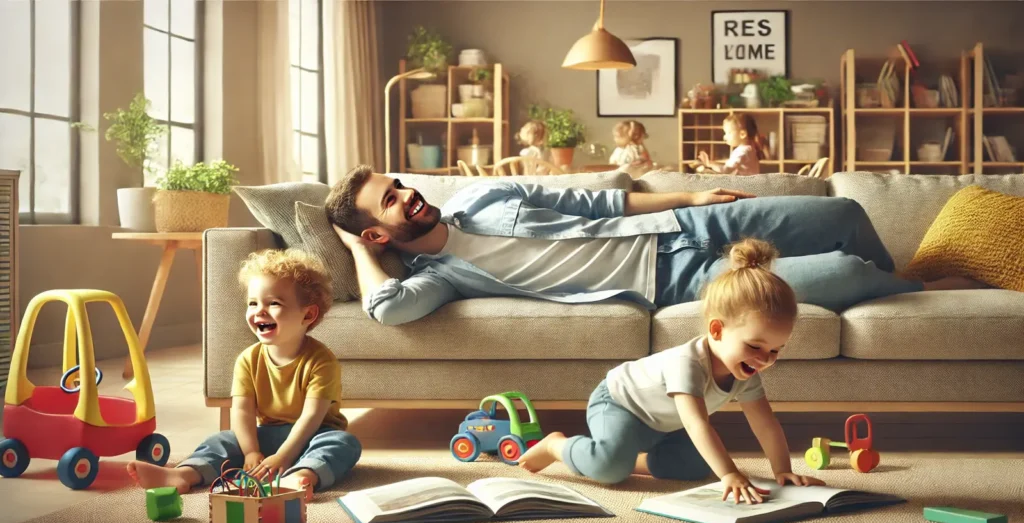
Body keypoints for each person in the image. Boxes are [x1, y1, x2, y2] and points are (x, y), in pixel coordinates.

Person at [324, 165, 981, 327]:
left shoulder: (487, 197)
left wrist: (689, 199)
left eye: (401, 183)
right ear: (377, 232)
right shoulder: (443, 275)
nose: (408, 193)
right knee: (842, 270)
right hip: (677, 283)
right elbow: (389, 310)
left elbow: (601, 202)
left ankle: (907, 273)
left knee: (843, 210)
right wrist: (357, 248)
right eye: (390, 200)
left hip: (685, 231)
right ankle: (922, 291)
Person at [517, 238, 824, 503]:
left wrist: (782, 470)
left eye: (775, 350)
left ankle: (631, 459)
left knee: (694, 467)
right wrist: (730, 473)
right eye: (755, 347)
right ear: (717, 330)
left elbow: (765, 424)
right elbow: (697, 424)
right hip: (620, 403)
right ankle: (557, 445)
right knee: (609, 469)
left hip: (663, 426)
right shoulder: (688, 363)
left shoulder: (746, 373)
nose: (764, 359)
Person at [127, 249, 361, 500]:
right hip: (268, 434)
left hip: (314, 435)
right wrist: (251, 452)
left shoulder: (322, 361)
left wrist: (283, 458)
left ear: (308, 314)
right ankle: (184, 474)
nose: (259, 311)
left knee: (344, 443)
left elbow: (311, 418)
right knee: (223, 440)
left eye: (274, 303)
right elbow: (242, 411)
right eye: (253, 303)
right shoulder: (247, 360)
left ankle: (302, 475)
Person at [697, 112, 767, 176]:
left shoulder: (742, 152)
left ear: (742, 134)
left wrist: (709, 163)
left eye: (728, 133)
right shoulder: (750, 149)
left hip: (741, 187)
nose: (724, 137)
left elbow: (726, 170)